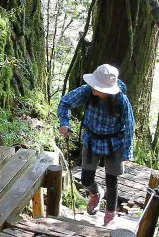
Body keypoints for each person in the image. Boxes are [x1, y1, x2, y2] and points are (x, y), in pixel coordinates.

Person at [57, 63, 135, 225]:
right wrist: (64, 122)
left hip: (115, 143)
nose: (93, 87)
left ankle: (110, 215)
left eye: (97, 86)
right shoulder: (87, 91)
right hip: (91, 139)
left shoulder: (121, 100)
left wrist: (127, 153)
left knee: (111, 181)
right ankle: (96, 193)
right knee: (86, 179)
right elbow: (65, 102)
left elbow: (129, 126)